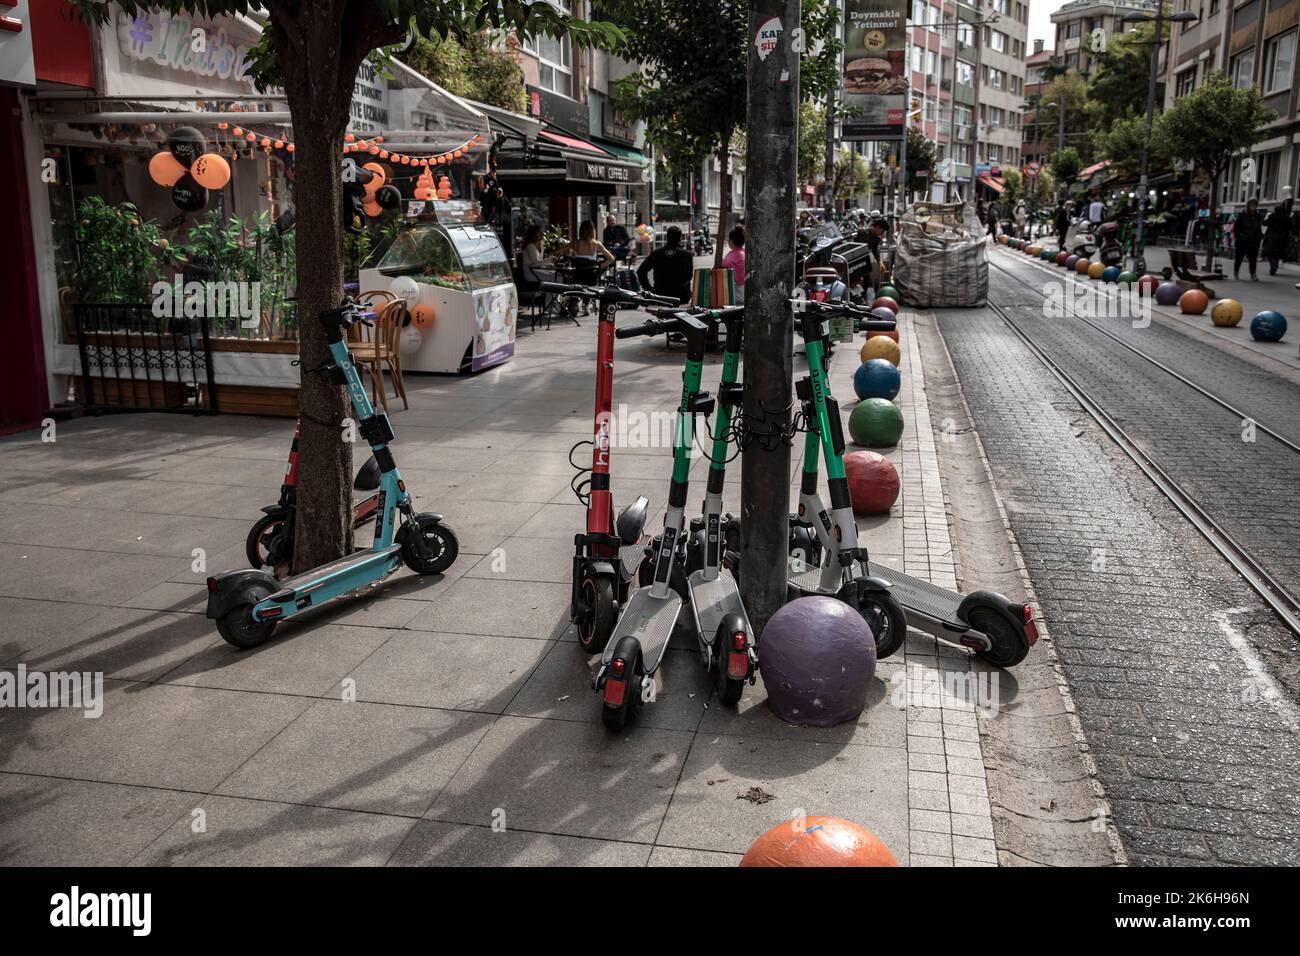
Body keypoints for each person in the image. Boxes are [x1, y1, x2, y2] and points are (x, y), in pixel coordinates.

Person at [636, 225, 694, 303]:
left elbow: (641, 272)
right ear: (680, 238)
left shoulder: (656, 253)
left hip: (660, 296)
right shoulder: (686, 254)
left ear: (667, 238)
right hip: (681, 296)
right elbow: (689, 276)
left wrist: (649, 289)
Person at [1232, 198, 1264, 281]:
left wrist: (1259, 237)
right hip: (1242, 241)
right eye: (1251, 204)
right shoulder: (1242, 215)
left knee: (1253, 259)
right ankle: (1236, 272)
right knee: (1239, 258)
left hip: (1253, 241)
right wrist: (1240, 236)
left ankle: (1253, 274)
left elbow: (1259, 228)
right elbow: (1236, 228)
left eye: (1254, 204)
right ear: (1248, 205)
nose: (1253, 206)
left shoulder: (1258, 215)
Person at [1262, 203, 1292, 276]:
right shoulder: (1287, 218)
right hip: (1282, 238)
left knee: (1270, 253)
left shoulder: (1272, 216)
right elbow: (1291, 227)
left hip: (1271, 237)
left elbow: (1264, 223)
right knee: (1278, 253)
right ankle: (1275, 264)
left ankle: (1273, 265)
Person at [721, 224, 746, 302]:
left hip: (737, 295)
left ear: (731, 241)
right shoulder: (745, 252)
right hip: (746, 292)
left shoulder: (730, 257)